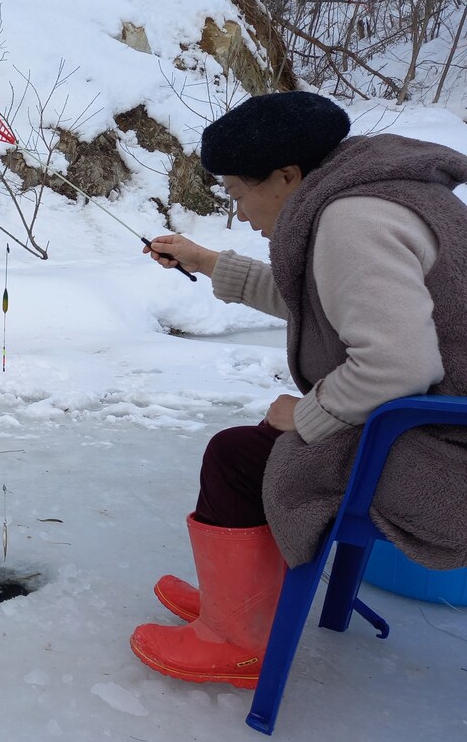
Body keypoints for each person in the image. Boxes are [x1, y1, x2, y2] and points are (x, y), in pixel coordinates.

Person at [128, 91, 467, 689]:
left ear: (287, 175)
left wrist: (314, 412)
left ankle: (234, 639)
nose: (239, 211)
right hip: (434, 420)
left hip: (440, 446)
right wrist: (204, 260)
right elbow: (321, 301)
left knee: (236, 457)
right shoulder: (374, 190)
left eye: (237, 192)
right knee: (255, 443)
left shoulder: (351, 221)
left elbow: (398, 364)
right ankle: (236, 600)